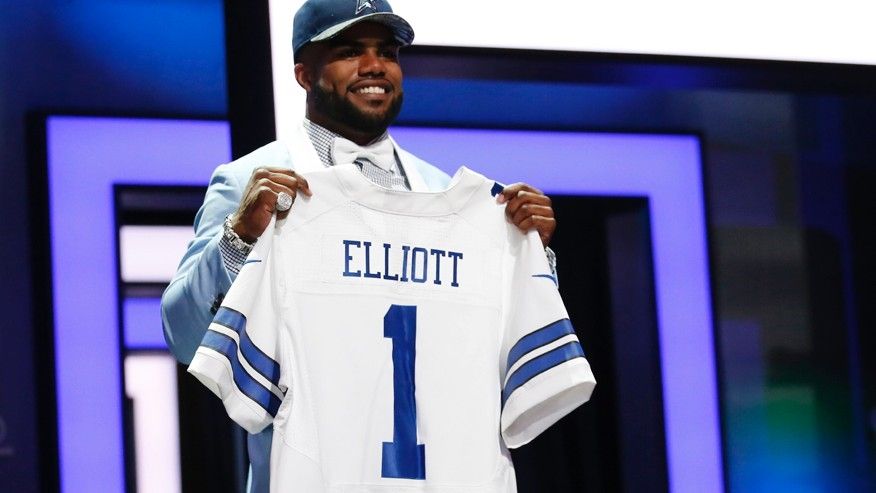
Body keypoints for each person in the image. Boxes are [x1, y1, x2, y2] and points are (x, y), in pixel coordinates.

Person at [161, 0, 558, 490]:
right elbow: (183, 335)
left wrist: (532, 256)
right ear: (304, 74)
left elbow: (505, 348)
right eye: (351, 51)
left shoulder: (449, 195)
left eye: (387, 52)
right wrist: (239, 238)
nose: (375, 66)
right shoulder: (249, 181)